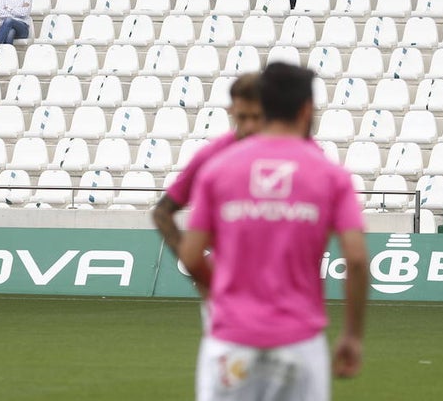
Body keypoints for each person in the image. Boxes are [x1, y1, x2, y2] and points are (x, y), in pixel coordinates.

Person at [179, 62, 368, 401]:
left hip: (231, 340)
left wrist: (222, 292)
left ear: (262, 107)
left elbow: (191, 256)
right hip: (298, 339)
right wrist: (353, 335)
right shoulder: (331, 175)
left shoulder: (218, 170)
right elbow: (355, 258)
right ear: (306, 108)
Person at [152, 74, 263, 263]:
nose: (250, 125)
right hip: (230, 281)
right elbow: (162, 212)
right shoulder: (212, 155)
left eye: (257, 117)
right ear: (231, 110)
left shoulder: (293, 154)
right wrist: (196, 268)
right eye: (243, 117)